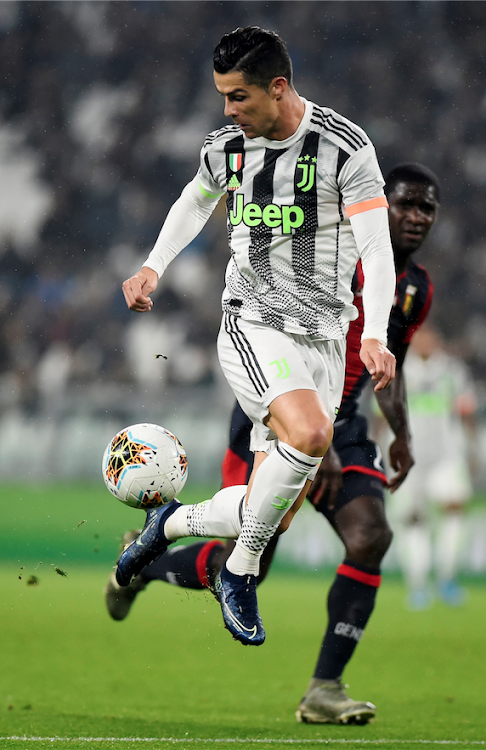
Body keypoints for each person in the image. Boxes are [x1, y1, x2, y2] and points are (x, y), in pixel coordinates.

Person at [106, 162, 439, 723]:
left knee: (371, 536)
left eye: (425, 208)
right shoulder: (339, 253)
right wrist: (318, 440)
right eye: (403, 204)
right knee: (250, 557)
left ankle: (324, 689)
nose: (413, 217)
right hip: (284, 404)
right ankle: (144, 566)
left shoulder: (414, 288)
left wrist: (401, 432)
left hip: (346, 420)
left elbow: (392, 363)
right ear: (379, 204)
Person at [115, 26, 396, 647]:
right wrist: (152, 265)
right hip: (253, 321)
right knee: (313, 436)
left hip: (324, 338)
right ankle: (237, 574)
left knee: (273, 509)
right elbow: (196, 200)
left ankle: (169, 523)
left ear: (278, 87)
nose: (228, 111)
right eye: (222, 96)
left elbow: (376, 251)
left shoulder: (344, 149)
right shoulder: (227, 147)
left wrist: (373, 332)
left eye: (238, 97)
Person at [385, 322, 478, 610]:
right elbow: (381, 416)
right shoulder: (398, 370)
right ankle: (418, 585)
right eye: (420, 338)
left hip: (446, 454)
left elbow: (466, 414)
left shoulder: (453, 371)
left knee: (454, 509)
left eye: (430, 337)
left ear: (437, 340)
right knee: (413, 519)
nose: (426, 342)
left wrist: (473, 451)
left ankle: (447, 579)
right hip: (409, 458)